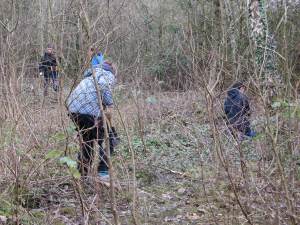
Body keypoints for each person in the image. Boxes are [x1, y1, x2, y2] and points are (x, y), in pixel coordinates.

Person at [67, 53, 117, 180]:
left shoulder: (91, 74)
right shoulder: (107, 74)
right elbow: (104, 87)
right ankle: (103, 171)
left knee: (87, 141)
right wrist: (110, 105)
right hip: (88, 111)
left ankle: (82, 174)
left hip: (73, 109)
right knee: (109, 138)